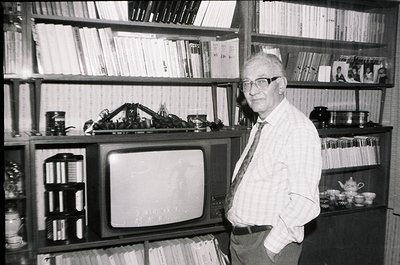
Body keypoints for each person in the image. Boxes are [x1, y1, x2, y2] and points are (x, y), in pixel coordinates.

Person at [225, 53, 322, 265]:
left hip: (267, 245)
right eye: (247, 83)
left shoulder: (297, 129)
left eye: (261, 81)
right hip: (243, 241)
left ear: (281, 85)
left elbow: (305, 202)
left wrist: (269, 248)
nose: (251, 91)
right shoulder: (261, 125)